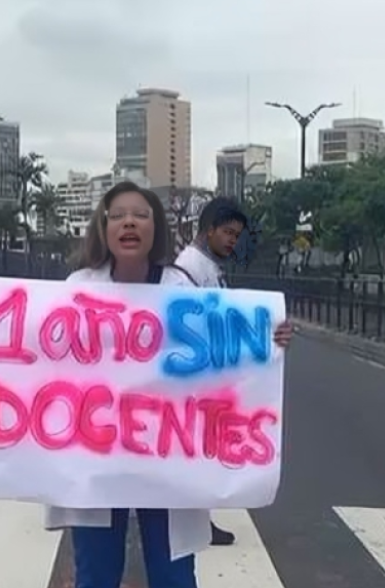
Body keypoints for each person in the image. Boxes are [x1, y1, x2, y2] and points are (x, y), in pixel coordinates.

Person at [0, 181, 293, 588]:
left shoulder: (180, 288)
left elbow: (218, 359)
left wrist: (267, 340)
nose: (129, 223)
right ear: (103, 227)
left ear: (154, 227)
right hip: (95, 460)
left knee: (174, 573)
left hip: (170, 462)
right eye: (118, 214)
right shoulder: (78, 286)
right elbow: (39, 355)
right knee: (95, 574)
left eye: (140, 215)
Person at [174, 196, 248, 546]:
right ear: (208, 230)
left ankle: (199, 519)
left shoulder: (205, 266)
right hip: (194, 377)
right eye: (228, 233)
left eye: (236, 235)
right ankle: (194, 521)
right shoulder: (189, 268)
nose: (232, 240)